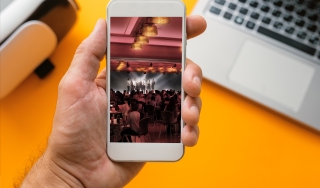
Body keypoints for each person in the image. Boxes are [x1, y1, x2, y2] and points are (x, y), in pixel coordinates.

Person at [20, 16, 205, 188]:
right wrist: (65, 170)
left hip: (133, 130)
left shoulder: (129, 111)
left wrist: (63, 172)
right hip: (149, 125)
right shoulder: (143, 107)